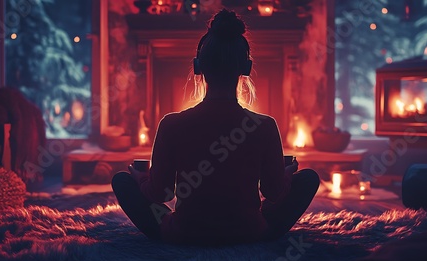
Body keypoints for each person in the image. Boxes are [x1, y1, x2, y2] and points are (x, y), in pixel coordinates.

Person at [111, 9, 320, 246]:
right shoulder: (265, 126)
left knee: (122, 181)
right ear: (247, 68)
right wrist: (286, 174)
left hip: (185, 236)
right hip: (250, 234)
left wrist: (141, 179)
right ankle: (252, 227)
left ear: (198, 66)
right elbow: (273, 193)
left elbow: (162, 194)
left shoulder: (171, 124)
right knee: (309, 178)